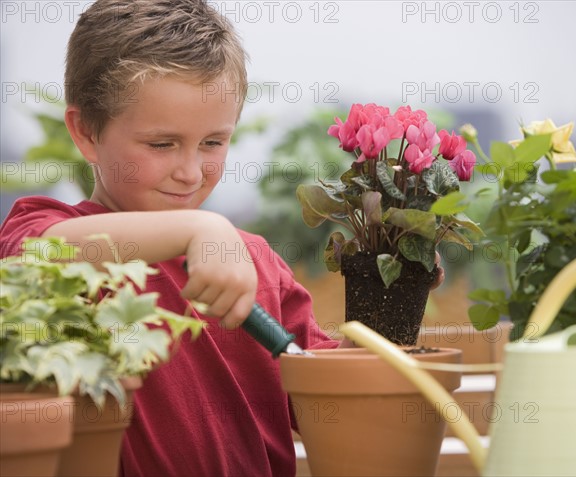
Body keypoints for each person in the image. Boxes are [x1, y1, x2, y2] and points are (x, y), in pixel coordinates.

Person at [0, 1, 443, 475]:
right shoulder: (49, 229)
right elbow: (35, 257)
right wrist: (200, 228)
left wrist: (396, 294)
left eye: (213, 143)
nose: (191, 172)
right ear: (86, 132)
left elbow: (331, 395)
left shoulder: (254, 261)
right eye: (161, 144)